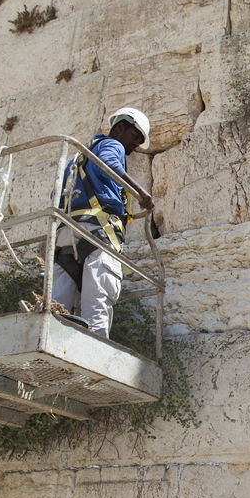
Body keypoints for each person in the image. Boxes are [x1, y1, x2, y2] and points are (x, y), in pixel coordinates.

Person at [52, 107, 154, 336]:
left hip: (67, 233)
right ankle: (93, 358)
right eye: (135, 137)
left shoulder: (78, 157)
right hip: (98, 233)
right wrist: (140, 193)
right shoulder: (112, 145)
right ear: (119, 128)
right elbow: (110, 164)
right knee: (98, 305)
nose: (134, 146)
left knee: (57, 307)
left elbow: (56, 196)